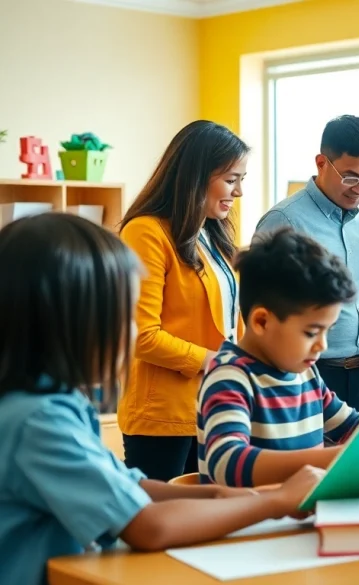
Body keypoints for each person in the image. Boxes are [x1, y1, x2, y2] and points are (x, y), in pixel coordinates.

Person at [0, 214, 327, 585]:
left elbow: (131, 487)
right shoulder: (38, 420)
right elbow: (148, 527)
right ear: (66, 324)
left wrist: (231, 496)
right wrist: (276, 501)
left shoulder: (47, 402)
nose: (133, 332)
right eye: (126, 316)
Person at [197, 227, 359, 488]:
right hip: (256, 515)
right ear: (262, 321)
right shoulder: (230, 377)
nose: (322, 345)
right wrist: (339, 457)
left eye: (328, 331)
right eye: (311, 332)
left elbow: (355, 427)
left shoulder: (306, 374)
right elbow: (226, 463)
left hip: (305, 513)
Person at [255, 115, 359, 416]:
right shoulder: (284, 221)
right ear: (321, 163)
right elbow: (258, 310)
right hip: (304, 376)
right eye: (351, 177)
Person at [118, 120, 248, 481]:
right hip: (164, 417)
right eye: (231, 179)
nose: (238, 192)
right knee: (164, 512)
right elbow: (142, 335)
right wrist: (216, 362)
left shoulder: (211, 233)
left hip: (215, 406)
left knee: (211, 509)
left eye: (242, 180)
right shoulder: (146, 231)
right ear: (197, 175)